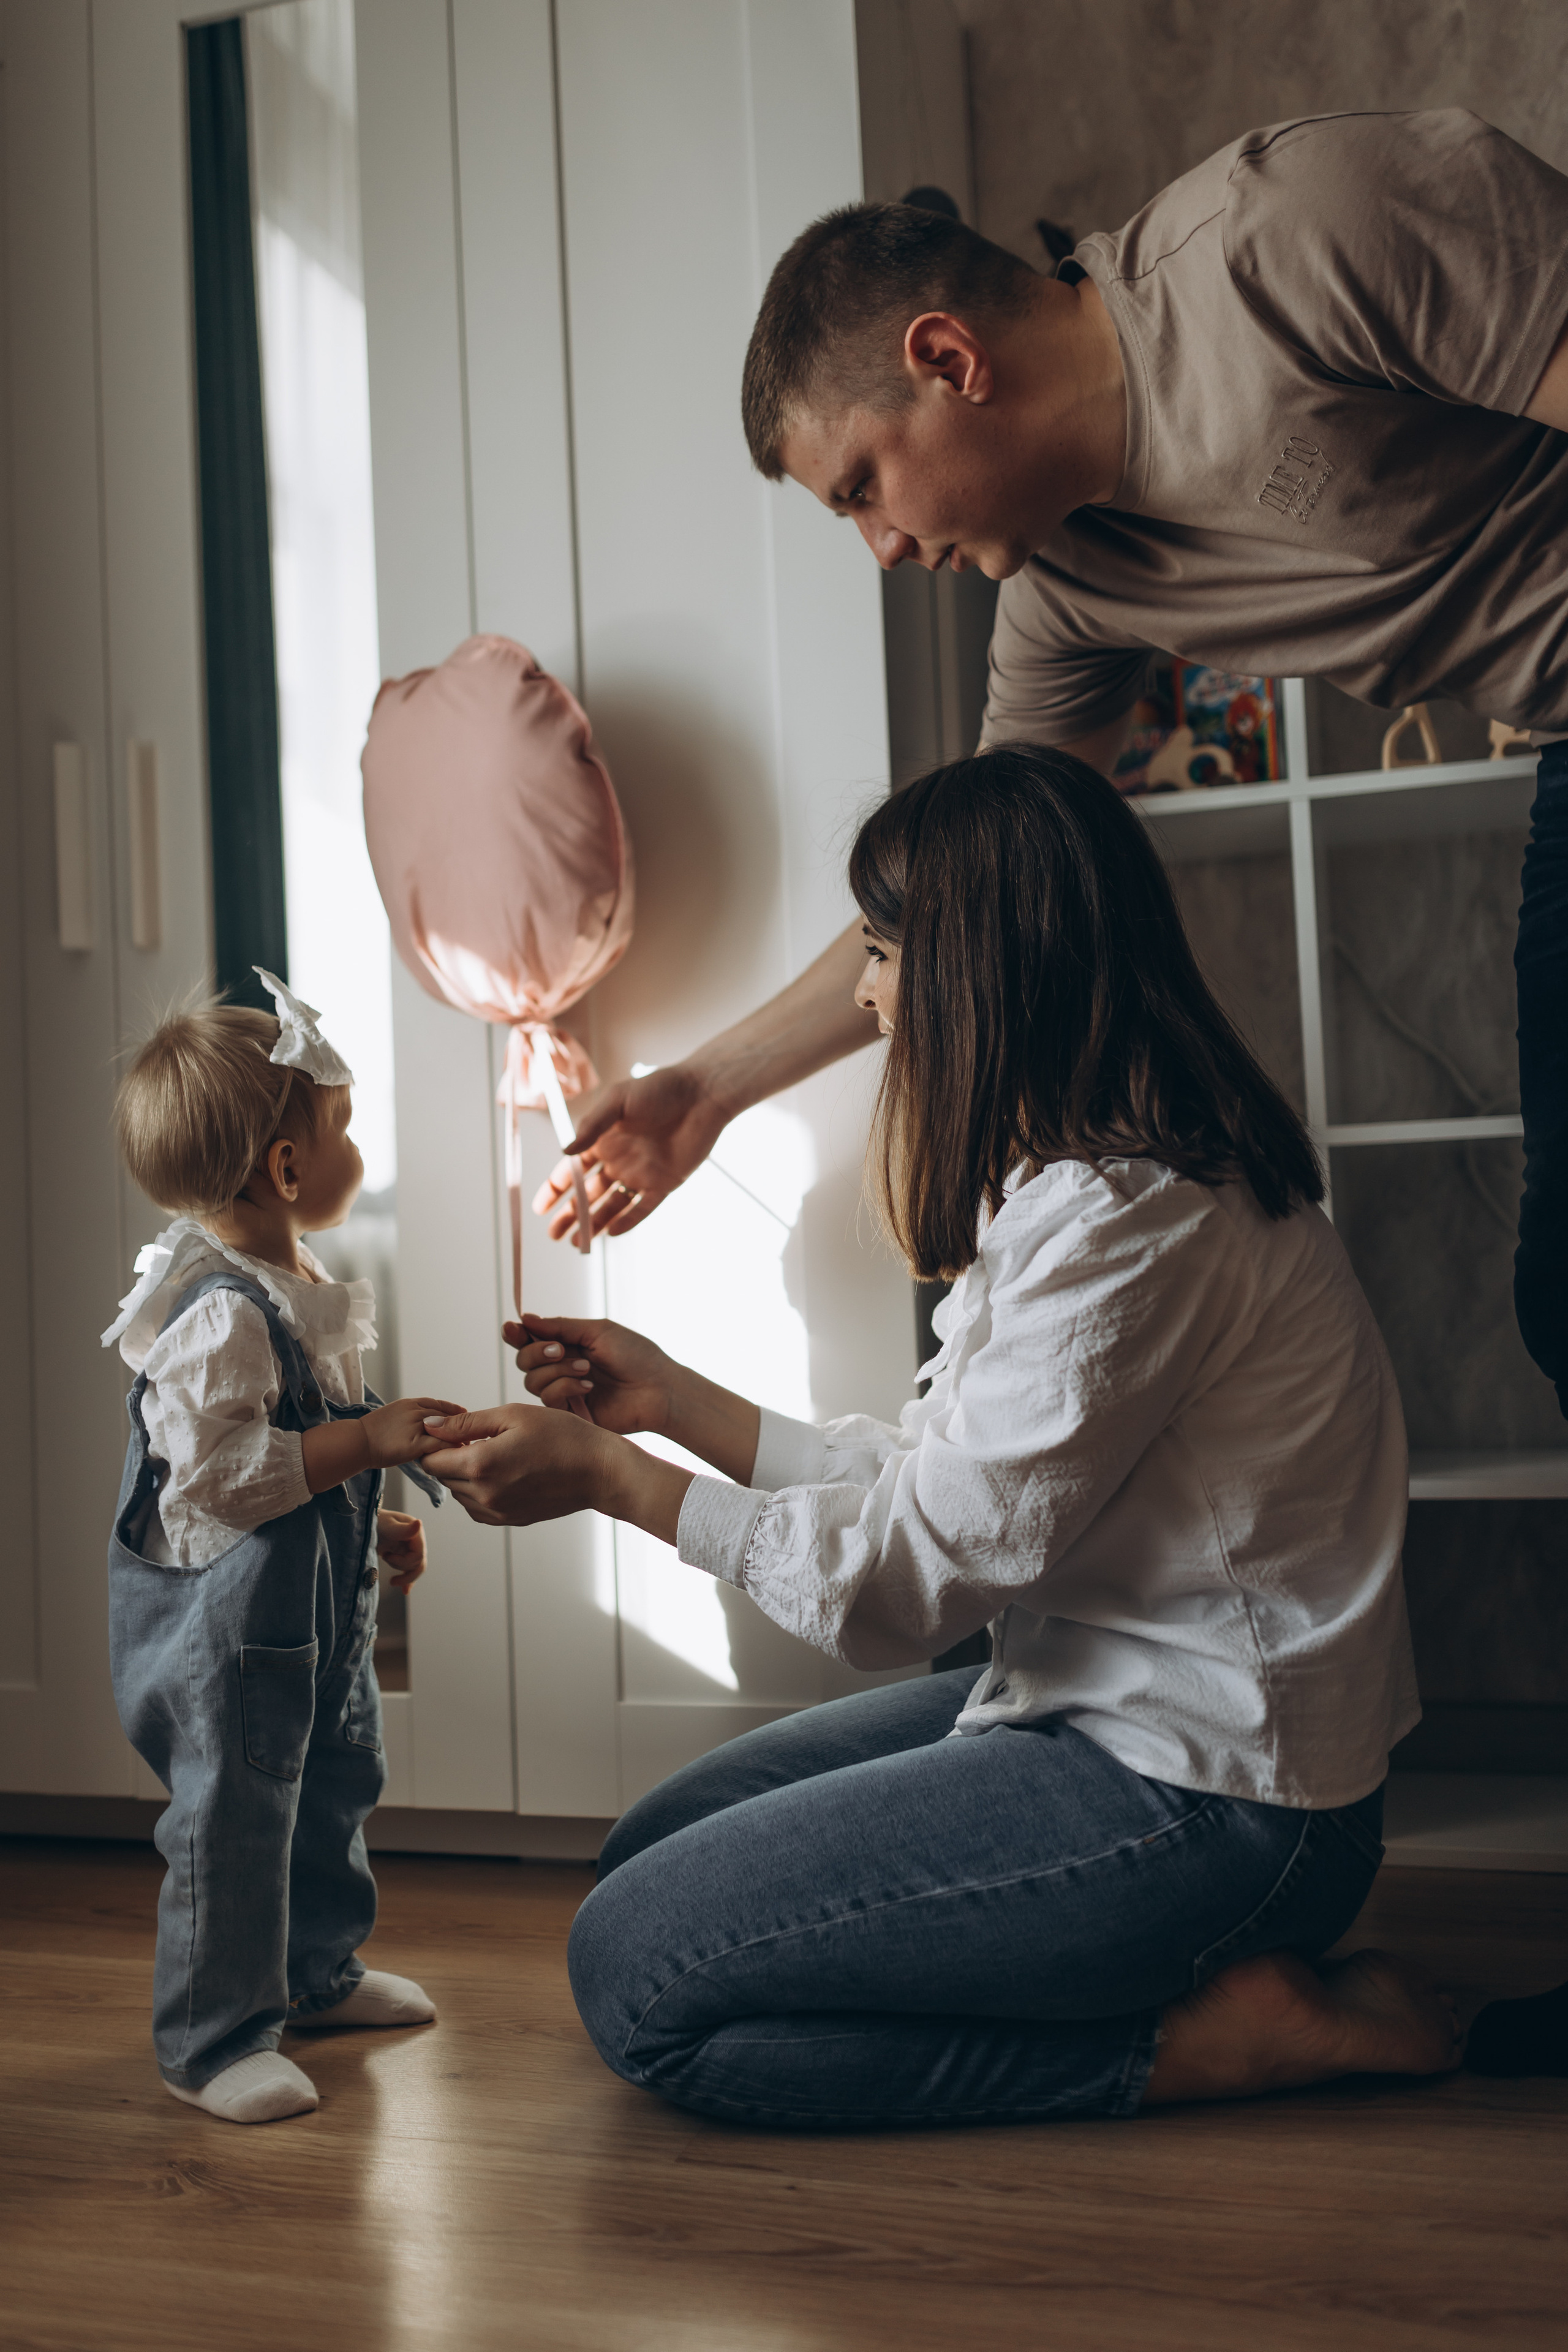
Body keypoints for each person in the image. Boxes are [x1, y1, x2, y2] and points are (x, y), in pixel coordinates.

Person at [532, 110, 1568, 2078]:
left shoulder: (1292, 240)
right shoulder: (1072, 599)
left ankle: (1207, 2009)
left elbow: (901, 1574)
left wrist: (629, 1471)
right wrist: (704, 1096)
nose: (885, 548)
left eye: (861, 489)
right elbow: (965, 904)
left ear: (946, 360)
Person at [424, 747, 1460, 2127]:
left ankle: (1199, 2042)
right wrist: (670, 1403)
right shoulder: (1071, 1182)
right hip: (1099, 1699)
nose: (863, 995)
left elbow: (914, 1585)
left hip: (1220, 1805)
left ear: (982, 966)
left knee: (636, 1976)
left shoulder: (1130, 1223)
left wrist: (622, 1486)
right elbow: (939, 1490)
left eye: (883, 953)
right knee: (647, 1860)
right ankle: (1113, 1967)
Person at [103, 974, 461, 2125]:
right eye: (342, 1126)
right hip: (226, 1632)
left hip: (307, 1611)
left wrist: (372, 1515)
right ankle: (210, 2040)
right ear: (288, 1169)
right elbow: (213, 1485)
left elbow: (303, 1465)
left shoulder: (296, 1286)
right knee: (237, 1811)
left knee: (334, 1778)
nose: (356, 1146)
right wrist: (365, 1442)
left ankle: (315, 1976)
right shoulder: (215, 1314)